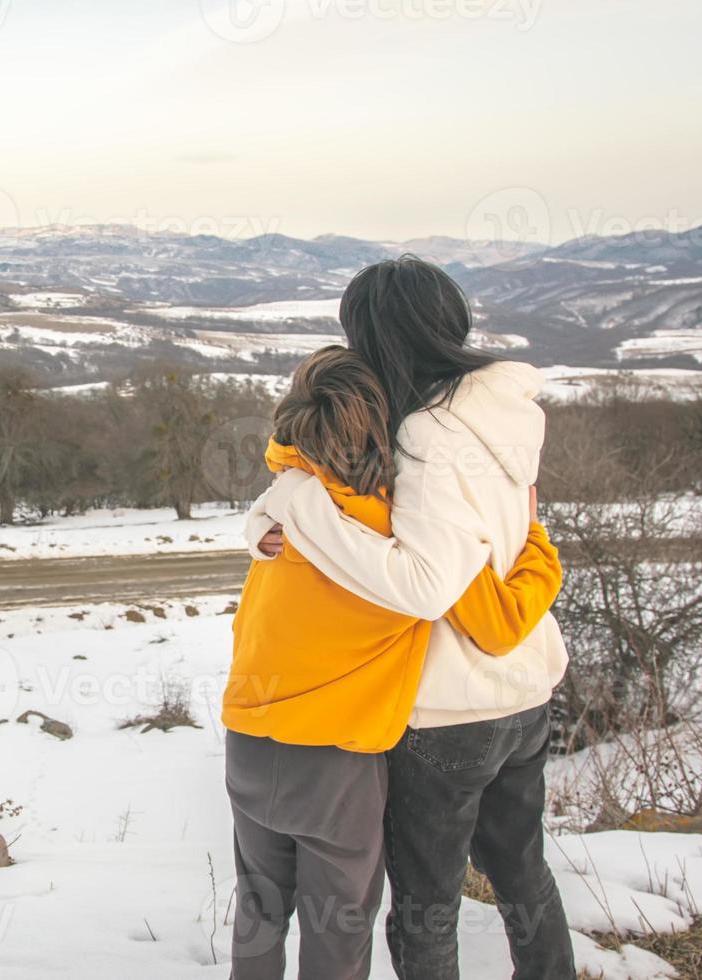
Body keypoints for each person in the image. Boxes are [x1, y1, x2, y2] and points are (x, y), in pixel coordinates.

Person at [254, 257, 576, 979]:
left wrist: (296, 509)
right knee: (524, 871)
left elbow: (425, 582)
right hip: (523, 688)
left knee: (428, 906)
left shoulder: (423, 435)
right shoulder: (504, 412)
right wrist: (269, 520)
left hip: (447, 709)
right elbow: (510, 538)